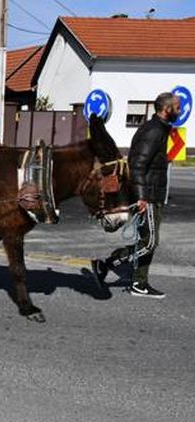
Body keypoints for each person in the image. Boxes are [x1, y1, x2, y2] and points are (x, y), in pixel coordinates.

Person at [91, 92, 180, 298]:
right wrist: (141, 197)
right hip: (148, 194)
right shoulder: (154, 131)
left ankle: (140, 283)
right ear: (167, 109)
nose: (180, 110)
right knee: (149, 242)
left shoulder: (158, 128)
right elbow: (137, 165)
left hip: (152, 192)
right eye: (177, 107)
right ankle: (106, 265)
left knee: (147, 240)